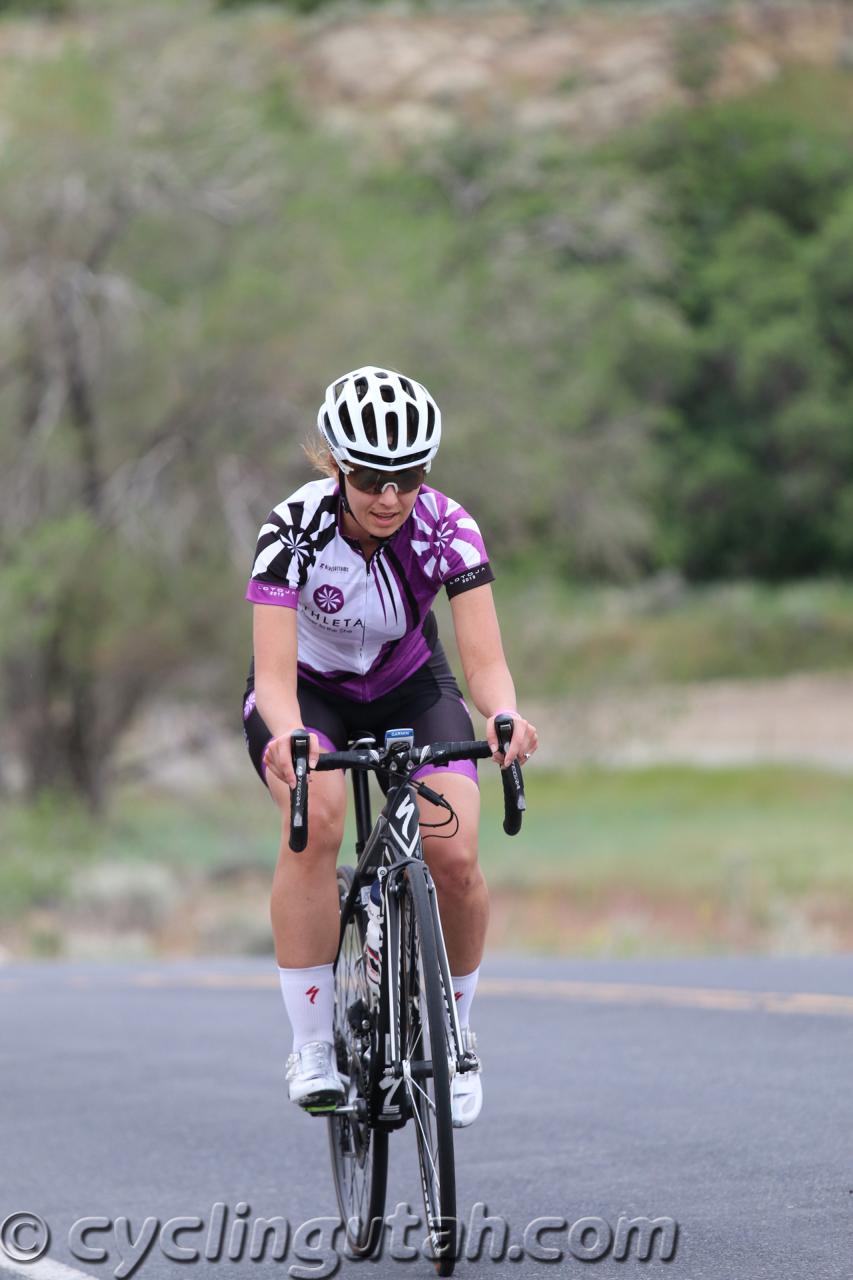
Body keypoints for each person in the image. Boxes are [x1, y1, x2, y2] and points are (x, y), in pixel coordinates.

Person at [242, 365, 537, 1128]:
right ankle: (311, 1047)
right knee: (322, 822)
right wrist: (290, 735)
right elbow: (271, 678)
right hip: (308, 697)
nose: (389, 497)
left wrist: (504, 714)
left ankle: (457, 1039)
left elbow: (484, 664)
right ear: (338, 465)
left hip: (409, 686)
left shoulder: (446, 527)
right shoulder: (291, 531)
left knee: (457, 854)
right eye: (371, 476)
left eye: (407, 477)